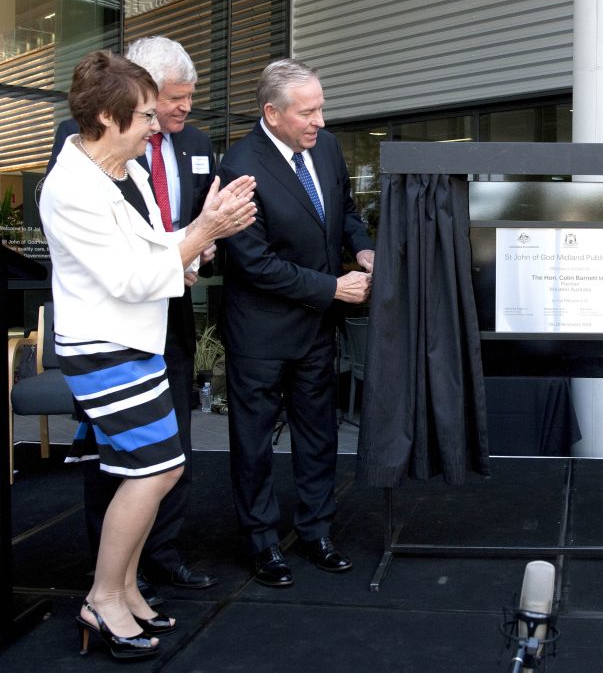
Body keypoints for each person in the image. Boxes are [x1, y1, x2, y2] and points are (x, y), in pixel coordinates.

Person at [41, 50, 255, 658]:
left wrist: (191, 245)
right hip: (103, 349)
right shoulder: (69, 188)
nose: (156, 125)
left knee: (162, 468)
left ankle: (127, 589)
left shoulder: (122, 169)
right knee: (153, 471)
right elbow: (129, 278)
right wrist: (203, 233)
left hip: (136, 342)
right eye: (143, 115)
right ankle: (102, 599)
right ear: (107, 118)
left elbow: (151, 247)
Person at [218, 58, 374, 587]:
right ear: (272, 113)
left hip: (315, 331)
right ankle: (263, 544)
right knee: (254, 444)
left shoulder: (324, 149)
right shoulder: (239, 166)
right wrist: (333, 287)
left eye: (321, 108)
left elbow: (345, 210)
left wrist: (363, 246)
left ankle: (317, 533)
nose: (321, 122)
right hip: (260, 334)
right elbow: (252, 263)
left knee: (318, 437)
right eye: (309, 112)